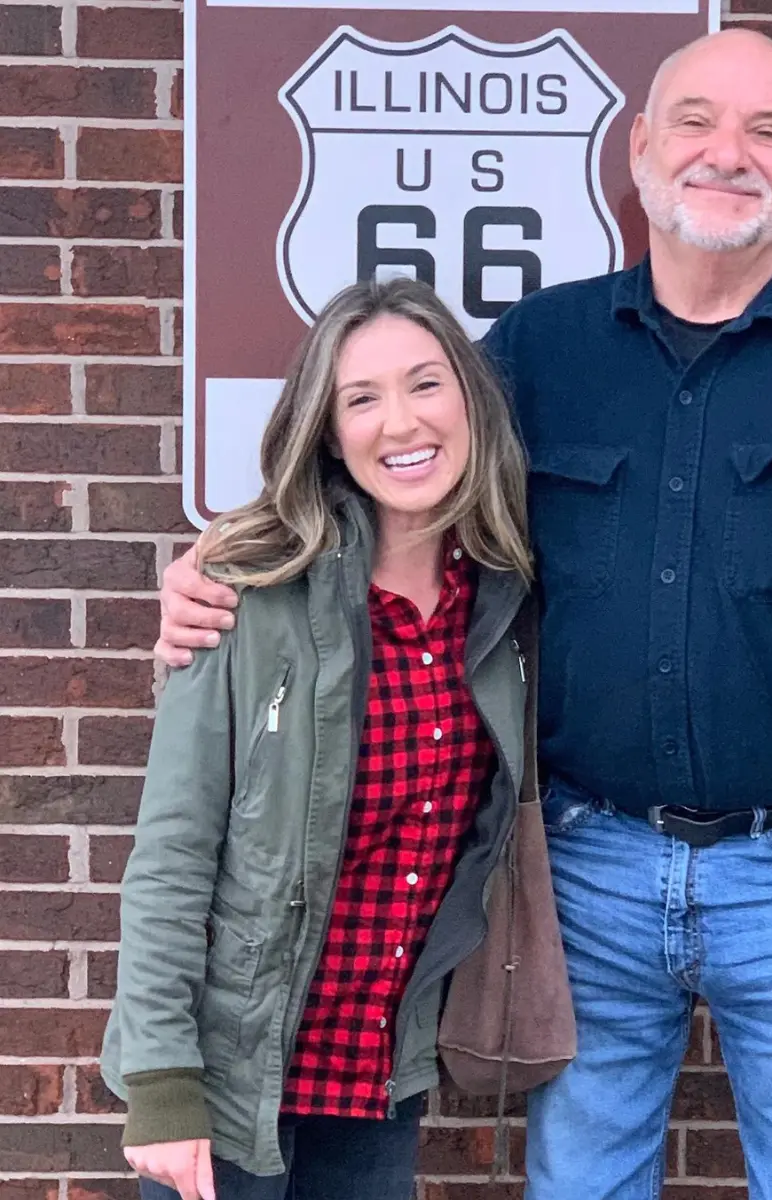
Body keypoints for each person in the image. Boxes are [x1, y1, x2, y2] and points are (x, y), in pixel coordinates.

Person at [154, 28, 772, 1200]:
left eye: (767, 130)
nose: (726, 154)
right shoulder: (543, 350)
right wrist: (225, 571)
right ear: (640, 147)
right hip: (585, 865)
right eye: (694, 122)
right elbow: (390, 472)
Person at [101, 277, 534, 1200]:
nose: (401, 422)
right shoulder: (244, 590)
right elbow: (172, 853)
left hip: (376, 1075)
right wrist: (162, 1084)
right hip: (230, 1074)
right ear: (327, 431)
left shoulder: (504, 604)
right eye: (361, 398)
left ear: (469, 399)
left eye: (425, 384)